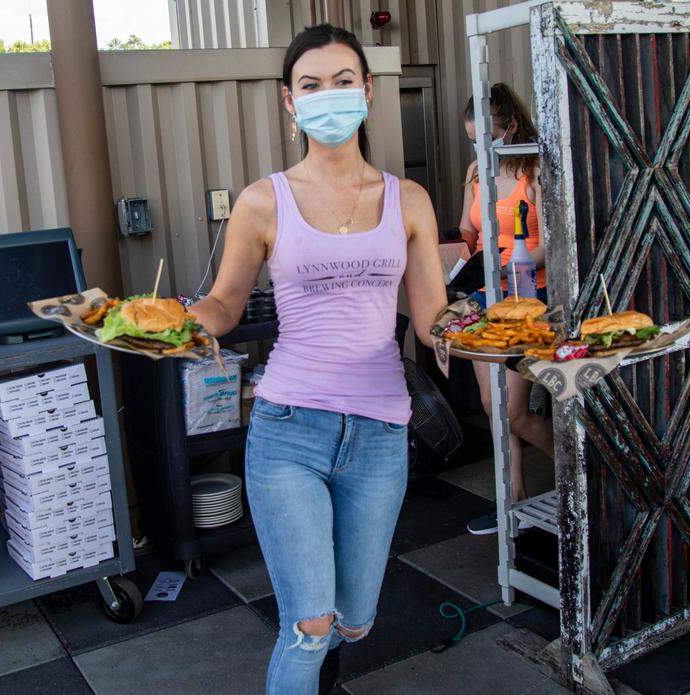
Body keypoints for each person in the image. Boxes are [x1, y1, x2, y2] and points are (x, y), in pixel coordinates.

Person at [188, 24, 445, 695]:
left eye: (342, 81)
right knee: (309, 624)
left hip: (381, 434)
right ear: (289, 102)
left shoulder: (408, 199)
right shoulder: (262, 201)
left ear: (366, 90)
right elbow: (223, 303)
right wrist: (177, 323)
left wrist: (501, 340)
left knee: (354, 621)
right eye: (310, 85)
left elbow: (434, 319)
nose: (327, 96)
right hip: (288, 430)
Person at [456, 83, 554, 535]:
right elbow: (468, 231)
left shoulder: (535, 170)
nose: (479, 147)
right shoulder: (478, 174)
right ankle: (512, 502)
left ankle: (587, 474)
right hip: (487, 296)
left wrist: (515, 257)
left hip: (530, 295)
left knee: (515, 412)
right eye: (472, 139)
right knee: (494, 409)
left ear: (510, 128)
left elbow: (557, 241)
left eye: (486, 138)